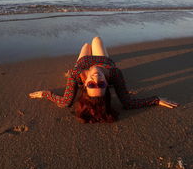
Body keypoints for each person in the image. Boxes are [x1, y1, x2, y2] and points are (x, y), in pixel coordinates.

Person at [29, 36, 178, 123]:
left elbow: (64, 102)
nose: (96, 79)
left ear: (85, 84)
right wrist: (156, 100)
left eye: (92, 85)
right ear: (107, 84)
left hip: (83, 62)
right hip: (103, 60)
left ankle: (86, 50)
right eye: (100, 84)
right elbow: (128, 103)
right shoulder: (114, 74)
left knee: (86, 45)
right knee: (96, 39)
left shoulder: (76, 75)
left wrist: (45, 94)